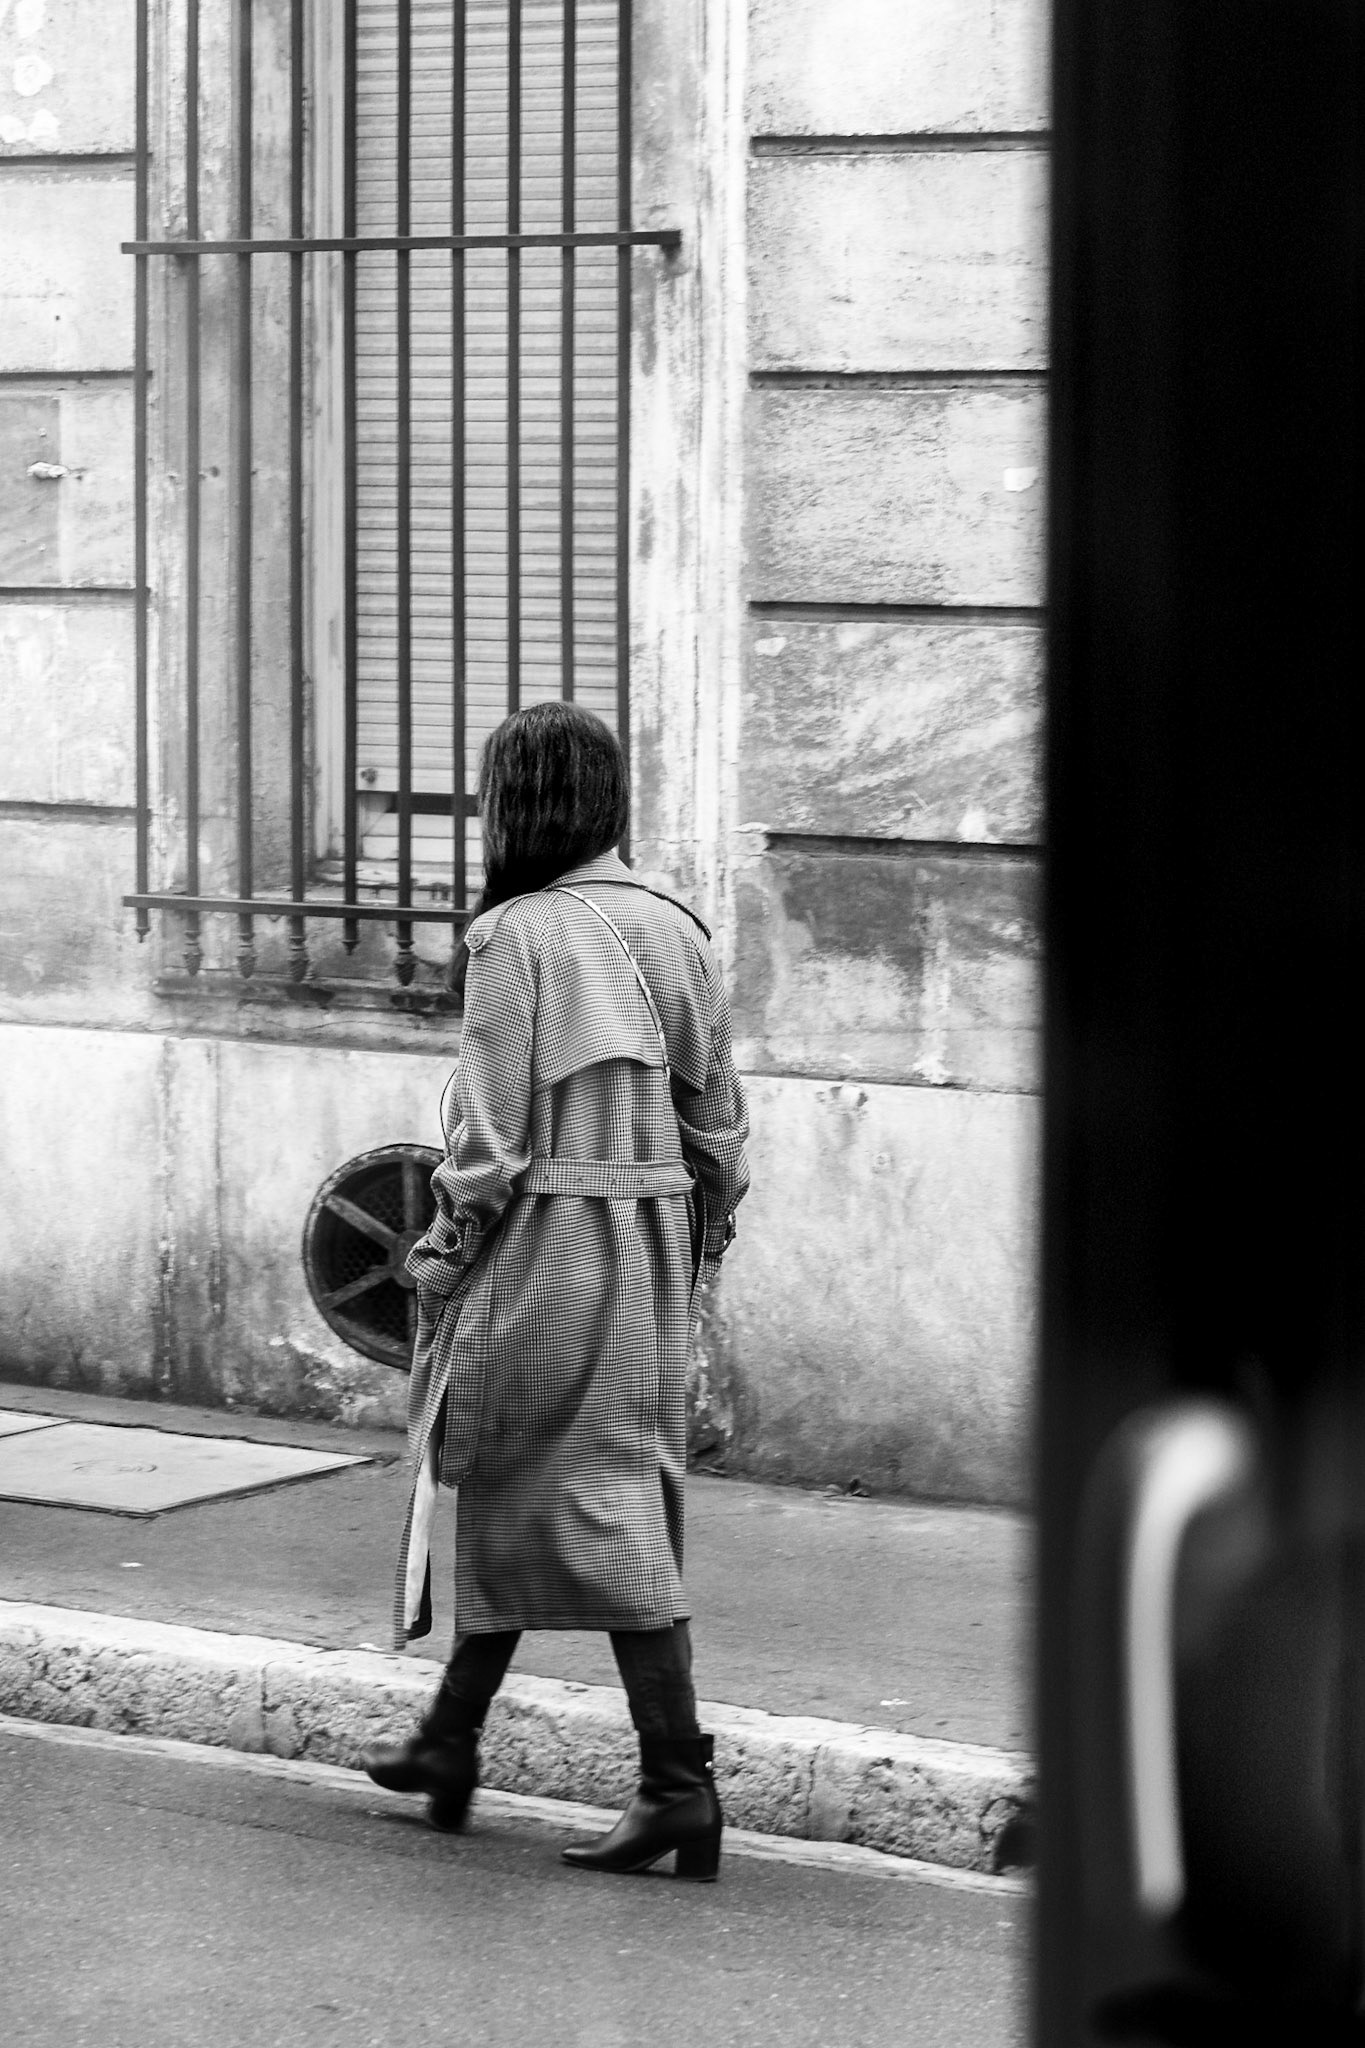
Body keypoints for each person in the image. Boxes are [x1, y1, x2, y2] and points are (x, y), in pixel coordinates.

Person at [363, 702, 750, 1881]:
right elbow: (723, 1132)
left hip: (541, 1250)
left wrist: (440, 1253)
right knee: (559, 1483)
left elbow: (484, 1142)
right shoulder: (678, 930)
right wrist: (697, 1244)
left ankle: (679, 1783)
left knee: (568, 1492)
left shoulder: (515, 937)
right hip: (649, 1249)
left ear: (515, 803)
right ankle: (450, 1738)